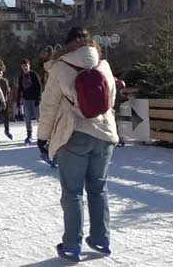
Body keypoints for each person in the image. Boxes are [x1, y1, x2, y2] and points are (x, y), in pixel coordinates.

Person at [37, 27, 118, 261]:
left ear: (67, 44)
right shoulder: (103, 64)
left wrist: (43, 138)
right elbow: (110, 100)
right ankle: (101, 239)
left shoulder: (61, 67)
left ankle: (72, 245)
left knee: (72, 193)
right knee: (98, 189)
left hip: (74, 136)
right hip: (104, 136)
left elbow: (49, 107)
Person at [17, 59, 42, 144]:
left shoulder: (33, 74)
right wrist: (18, 101)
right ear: (21, 67)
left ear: (29, 65)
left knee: (39, 118)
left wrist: (38, 98)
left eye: (26, 65)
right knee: (27, 118)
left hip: (35, 99)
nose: (25, 67)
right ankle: (29, 134)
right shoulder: (21, 77)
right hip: (26, 99)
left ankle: (42, 135)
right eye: (23, 66)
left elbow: (39, 87)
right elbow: (20, 89)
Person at [0, 66, 13, 140]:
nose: (0, 74)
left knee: (6, 118)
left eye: (1, 73)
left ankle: (7, 131)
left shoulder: (4, 81)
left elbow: (8, 90)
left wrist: (8, 91)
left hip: (4, 101)